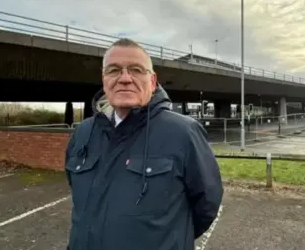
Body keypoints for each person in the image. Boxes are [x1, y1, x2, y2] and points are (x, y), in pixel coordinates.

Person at [65, 38, 224, 250]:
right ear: (104, 79)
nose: (125, 78)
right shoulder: (83, 133)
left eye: (136, 70)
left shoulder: (183, 133)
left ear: (152, 80)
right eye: (114, 70)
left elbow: (207, 205)